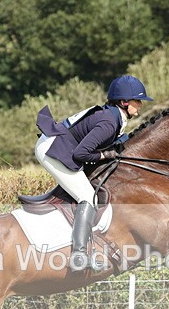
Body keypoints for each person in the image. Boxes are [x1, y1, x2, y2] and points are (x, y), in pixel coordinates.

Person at [35, 75, 153, 271]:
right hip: (52, 149)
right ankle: (79, 256)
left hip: (61, 143)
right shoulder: (109, 122)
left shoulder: (114, 116)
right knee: (87, 197)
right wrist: (106, 154)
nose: (140, 105)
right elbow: (81, 153)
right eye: (137, 101)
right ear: (124, 102)